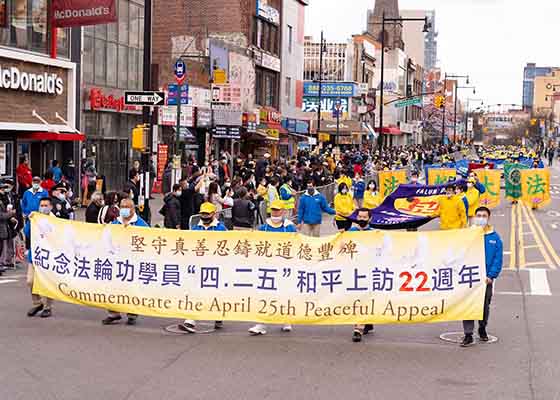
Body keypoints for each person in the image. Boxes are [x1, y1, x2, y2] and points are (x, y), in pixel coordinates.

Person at [248, 200, 296, 336]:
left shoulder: (289, 228)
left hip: (285, 267)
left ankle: (286, 320)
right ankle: (261, 324)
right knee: (264, 295)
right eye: (273, 210)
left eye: (278, 210)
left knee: (284, 294)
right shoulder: (263, 228)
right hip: (267, 268)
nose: (275, 212)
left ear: (283, 211)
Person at [180, 202, 226, 333]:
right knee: (195, 292)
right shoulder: (195, 229)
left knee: (215, 292)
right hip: (199, 266)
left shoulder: (221, 229)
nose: (204, 216)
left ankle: (218, 316)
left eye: (207, 213)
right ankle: (190, 320)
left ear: (214, 214)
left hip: (215, 266)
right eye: (202, 213)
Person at [102, 198, 149, 326]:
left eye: (126, 207)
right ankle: (113, 313)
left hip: (133, 262)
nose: (123, 209)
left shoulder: (141, 224)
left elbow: (147, 242)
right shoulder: (115, 223)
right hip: (116, 260)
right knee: (113, 287)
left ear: (133, 208)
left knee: (131, 288)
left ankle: (132, 314)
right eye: (121, 206)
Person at [461, 206, 503, 347]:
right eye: (478, 215)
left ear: (488, 218)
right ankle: (468, 334)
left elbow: (498, 259)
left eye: (484, 216)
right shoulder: (467, 234)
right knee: (468, 306)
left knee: (484, 306)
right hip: (469, 277)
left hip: (486, 280)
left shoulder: (494, 238)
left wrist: (491, 276)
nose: (481, 218)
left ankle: (482, 327)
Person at [24, 197, 55, 318]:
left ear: (51, 207)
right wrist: (30, 220)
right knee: (30, 280)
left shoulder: (56, 221)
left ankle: (48, 307)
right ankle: (37, 303)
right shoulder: (35, 218)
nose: (43, 207)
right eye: (41, 205)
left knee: (48, 283)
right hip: (35, 255)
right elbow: (27, 233)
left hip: (49, 256)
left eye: (46, 205)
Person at [349, 208, 375, 342]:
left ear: (369, 219)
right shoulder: (351, 232)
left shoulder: (374, 234)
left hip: (369, 271)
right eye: (360, 217)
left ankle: (359, 328)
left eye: (365, 217)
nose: (362, 219)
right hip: (354, 271)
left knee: (364, 298)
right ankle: (364, 324)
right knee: (357, 298)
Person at [0, 180, 21, 272]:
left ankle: (6, 261)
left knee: (7, 243)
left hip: (8, 223)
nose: (4, 189)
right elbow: (1, 215)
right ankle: (2, 262)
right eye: (2, 188)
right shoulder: (2, 198)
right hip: (3, 223)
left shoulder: (13, 196)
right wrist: (10, 214)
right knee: (2, 245)